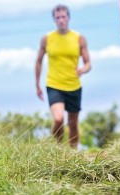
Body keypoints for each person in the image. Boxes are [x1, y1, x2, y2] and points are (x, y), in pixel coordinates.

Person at [35, 4, 91, 148]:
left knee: (73, 124)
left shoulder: (79, 38)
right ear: (54, 19)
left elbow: (88, 63)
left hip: (74, 86)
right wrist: (37, 84)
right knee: (59, 119)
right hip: (54, 85)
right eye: (57, 17)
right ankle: (57, 149)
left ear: (68, 18)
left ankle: (72, 155)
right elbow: (39, 61)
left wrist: (83, 69)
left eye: (63, 17)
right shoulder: (47, 39)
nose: (61, 20)